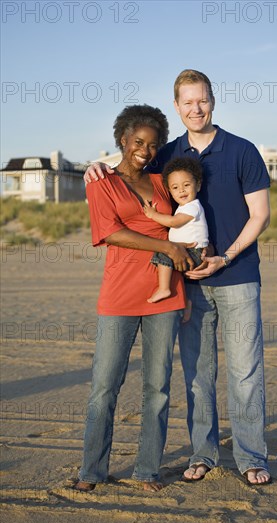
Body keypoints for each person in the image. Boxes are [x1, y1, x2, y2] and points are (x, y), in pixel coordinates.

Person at [84, 69, 272, 486]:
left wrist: (225, 257)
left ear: (213, 100)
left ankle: (251, 456)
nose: (196, 108)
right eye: (187, 102)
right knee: (197, 374)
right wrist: (91, 167)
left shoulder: (242, 151)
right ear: (177, 106)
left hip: (237, 275)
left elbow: (260, 215)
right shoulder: (165, 155)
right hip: (188, 283)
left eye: (202, 100)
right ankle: (204, 454)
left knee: (244, 372)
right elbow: (124, 171)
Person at [74, 104, 196, 494]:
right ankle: (91, 471)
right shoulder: (101, 181)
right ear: (122, 140)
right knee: (104, 386)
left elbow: (184, 228)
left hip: (166, 295)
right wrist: (162, 244)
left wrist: (186, 283)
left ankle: (147, 471)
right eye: (137, 141)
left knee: (158, 387)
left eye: (152, 143)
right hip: (120, 294)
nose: (144, 149)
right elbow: (110, 232)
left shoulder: (163, 182)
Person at [143, 157, 209, 315]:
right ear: (170, 191)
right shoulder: (184, 206)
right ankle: (185, 303)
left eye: (187, 185)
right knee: (177, 276)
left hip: (195, 252)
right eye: (175, 187)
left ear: (198, 185)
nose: (182, 191)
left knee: (163, 254)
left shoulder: (193, 207)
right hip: (189, 251)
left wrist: (153, 215)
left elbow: (174, 222)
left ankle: (164, 289)